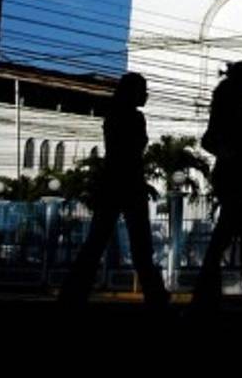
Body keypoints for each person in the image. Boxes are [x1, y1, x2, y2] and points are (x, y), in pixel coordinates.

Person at [59, 72, 169, 307]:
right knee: (139, 246)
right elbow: (133, 152)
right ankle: (156, 297)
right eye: (143, 90)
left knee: (97, 242)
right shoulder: (134, 118)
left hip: (113, 184)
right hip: (129, 184)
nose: (146, 95)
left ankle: (73, 293)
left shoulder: (113, 116)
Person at [192, 61, 242, 312]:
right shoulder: (235, 109)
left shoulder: (237, 109)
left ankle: (205, 299)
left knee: (227, 238)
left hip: (231, 176)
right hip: (231, 177)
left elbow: (207, 141)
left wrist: (239, 158)